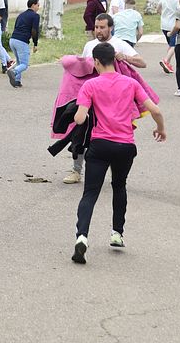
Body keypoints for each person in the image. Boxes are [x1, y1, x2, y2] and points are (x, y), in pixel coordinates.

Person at [69, 42, 166, 265]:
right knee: (119, 186)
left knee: (90, 193)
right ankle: (116, 234)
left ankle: (82, 237)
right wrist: (161, 128)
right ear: (114, 59)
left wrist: (78, 113)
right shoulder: (130, 83)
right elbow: (156, 110)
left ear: (95, 62)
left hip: (100, 145)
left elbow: (80, 119)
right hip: (125, 146)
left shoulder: (91, 85)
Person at [65, 13, 146, 185]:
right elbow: (82, 68)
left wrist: (125, 57)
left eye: (102, 27)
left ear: (111, 28)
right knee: (79, 133)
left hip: (112, 101)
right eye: (96, 27)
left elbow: (142, 62)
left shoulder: (119, 44)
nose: (99, 31)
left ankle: (110, 169)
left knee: (109, 134)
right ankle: (76, 169)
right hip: (89, 96)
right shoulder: (89, 45)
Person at [7, 0, 40, 88]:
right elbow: (34, 30)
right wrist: (35, 43)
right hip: (22, 41)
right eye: (38, 5)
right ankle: (13, 72)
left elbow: (15, 26)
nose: (38, 7)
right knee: (24, 64)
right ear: (33, 5)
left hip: (13, 39)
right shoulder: (35, 16)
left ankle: (17, 81)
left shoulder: (21, 15)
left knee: (19, 62)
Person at [158, 0, 180, 73]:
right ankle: (165, 60)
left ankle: (167, 64)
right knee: (174, 45)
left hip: (164, 24)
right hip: (173, 24)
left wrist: (163, 15)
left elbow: (158, 8)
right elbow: (179, 10)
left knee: (170, 45)